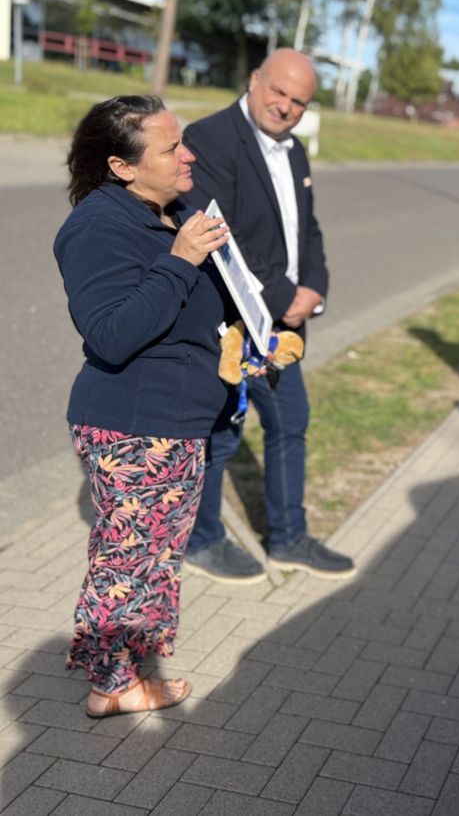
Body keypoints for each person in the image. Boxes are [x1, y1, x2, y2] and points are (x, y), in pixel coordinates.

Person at [54, 95, 231, 717]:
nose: (189, 155)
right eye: (170, 148)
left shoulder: (166, 211)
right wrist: (181, 258)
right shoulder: (96, 227)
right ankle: (110, 685)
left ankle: (125, 673)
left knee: (152, 561)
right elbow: (112, 331)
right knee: (126, 563)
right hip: (133, 426)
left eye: (182, 141)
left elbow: (188, 315)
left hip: (176, 422)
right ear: (122, 167)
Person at [182, 48, 356, 581]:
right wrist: (285, 297)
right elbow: (219, 232)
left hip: (281, 325)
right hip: (231, 318)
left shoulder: (295, 150)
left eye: (298, 101)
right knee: (222, 432)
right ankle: (203, 540)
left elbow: (310, 231)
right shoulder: (210, 138)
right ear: (254, 78)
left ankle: (288, 539)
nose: (284, 107)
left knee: (290, 422)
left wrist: (314, 292)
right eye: (277, 91)